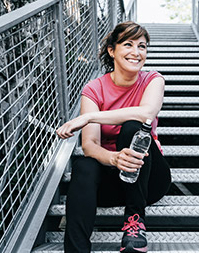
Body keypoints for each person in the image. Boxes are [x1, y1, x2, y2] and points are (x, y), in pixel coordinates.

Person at [56, 21, 171, 253]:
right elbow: (89, 145)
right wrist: (115, 159)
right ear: (112, 50)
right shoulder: (94, 89)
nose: (137, 53)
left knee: (133, 127)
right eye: (128, 44)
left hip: (148, 180)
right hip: (111, 180)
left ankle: (134, 223)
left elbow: (147, 113)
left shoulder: (153, 80)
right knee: (84, 165)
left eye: (142, 46)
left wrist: (90, 117)